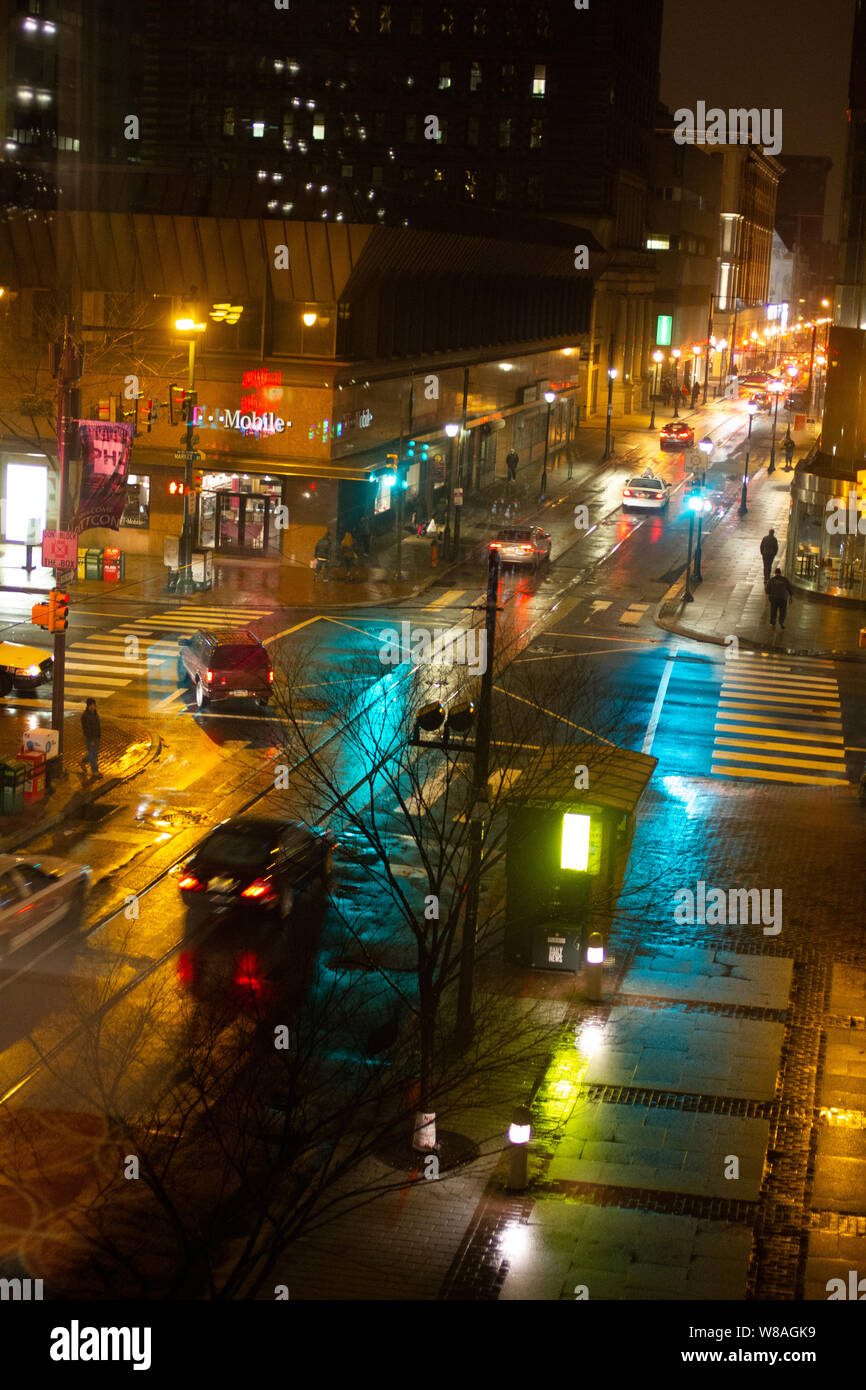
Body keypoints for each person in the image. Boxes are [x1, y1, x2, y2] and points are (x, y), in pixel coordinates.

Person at [80, 697, 101, 777]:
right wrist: (91, 740)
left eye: (94, 705)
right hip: (91, 738)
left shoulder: (95, 713)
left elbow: (97, 725)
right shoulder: (85, 716)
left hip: (96, 737)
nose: (92, 707)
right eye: (91, 705)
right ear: (88, 706)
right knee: (94, 755)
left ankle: (82, 762)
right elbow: (87, 729)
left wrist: (98, 736)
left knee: (92, 753)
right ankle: (94, 771)